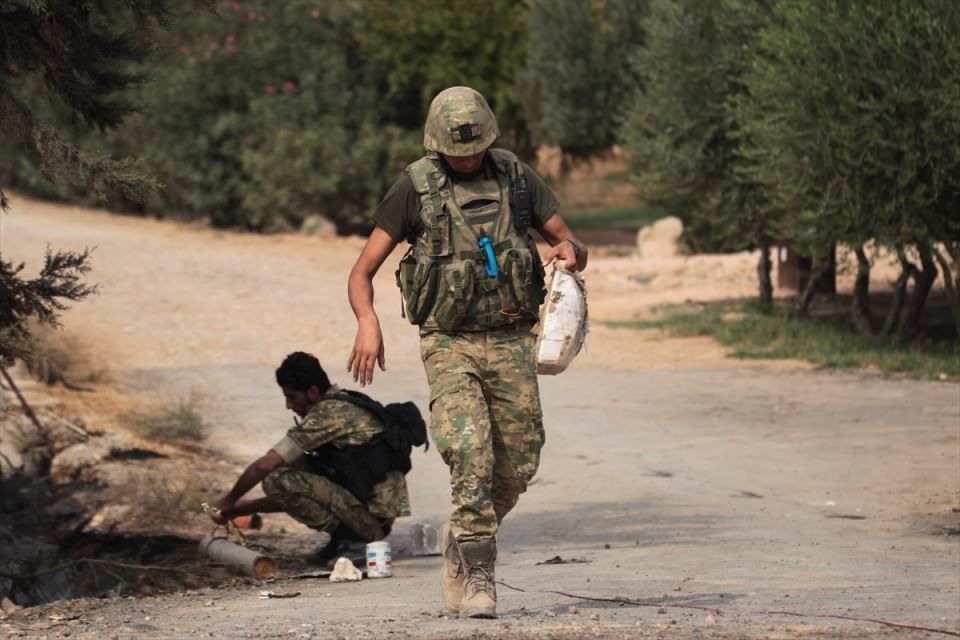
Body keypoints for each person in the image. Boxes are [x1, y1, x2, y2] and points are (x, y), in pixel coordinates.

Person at [347, 86, 588, 618]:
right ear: (438, 145)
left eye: (476, 147)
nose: (469, 157)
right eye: (458, 151)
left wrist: (569, 254)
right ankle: (479, 573)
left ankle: (463, 531)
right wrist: (368, 321)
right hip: (448, 343)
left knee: (518, 465)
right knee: (470, 452)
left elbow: (569, 242)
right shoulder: (414, 189)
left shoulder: (515, 178)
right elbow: (362, 270)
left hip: (510, 339)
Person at [209, 351, 411, 566]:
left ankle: (354, 541)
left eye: (292, 397)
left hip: (372, 523)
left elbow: (265, 466)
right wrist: (243, 508)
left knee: (276, 477)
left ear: (313, 392)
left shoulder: (328, 415)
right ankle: (346, 537)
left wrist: (228, 501)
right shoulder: (341, 405)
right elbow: (299, 495)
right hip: (371, 516)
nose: (289, 405)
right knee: (293, 473)